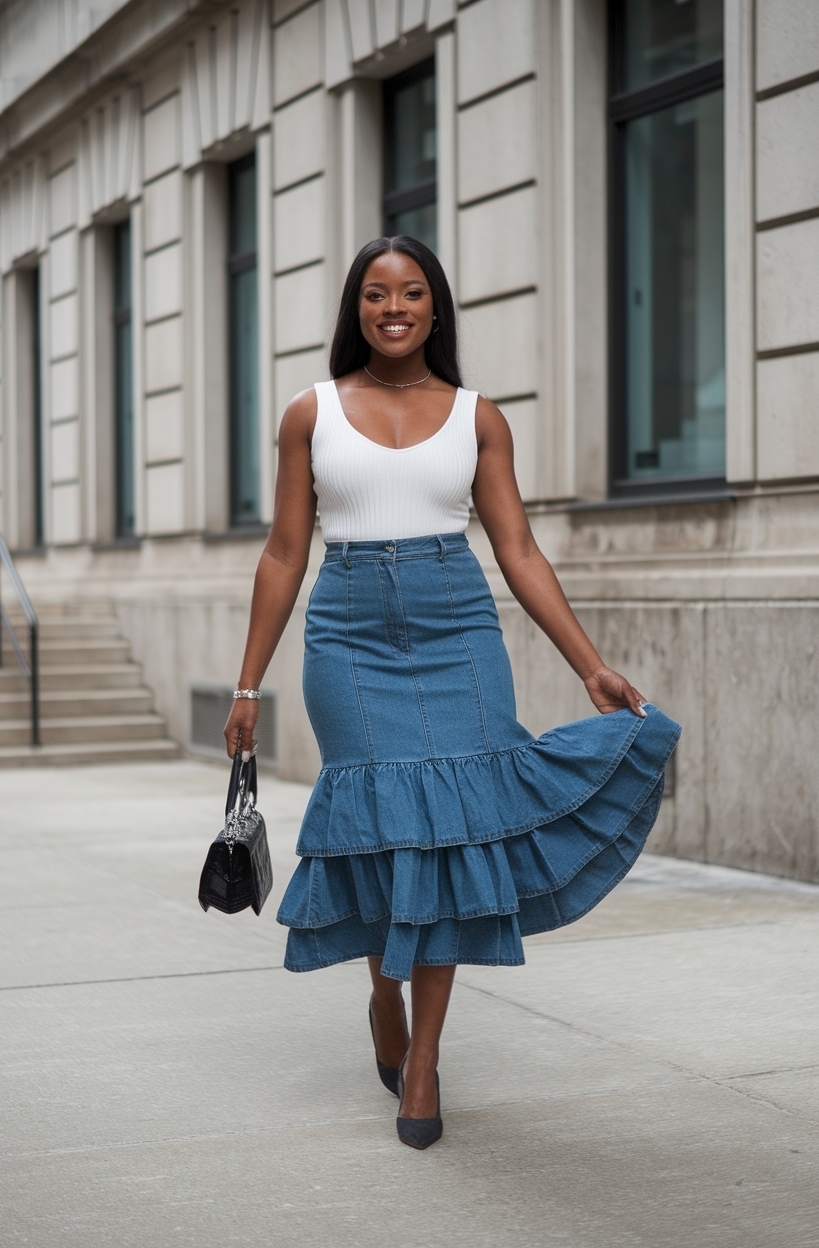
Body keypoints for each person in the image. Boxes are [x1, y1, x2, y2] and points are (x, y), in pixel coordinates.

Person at [224, 236, 681, 1150]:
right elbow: (283, 553)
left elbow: (519, 551)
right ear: (356, 309)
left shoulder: (480, 417)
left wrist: (588, 664)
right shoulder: (312, 412)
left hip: (457, 630)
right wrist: (248, 685)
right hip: (347, 634)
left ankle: (425, 1059)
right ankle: (382, 991)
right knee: (381, 825)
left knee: (450, 830)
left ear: (435, 308)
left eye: (411, 293)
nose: (393, 309)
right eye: (376, 294)